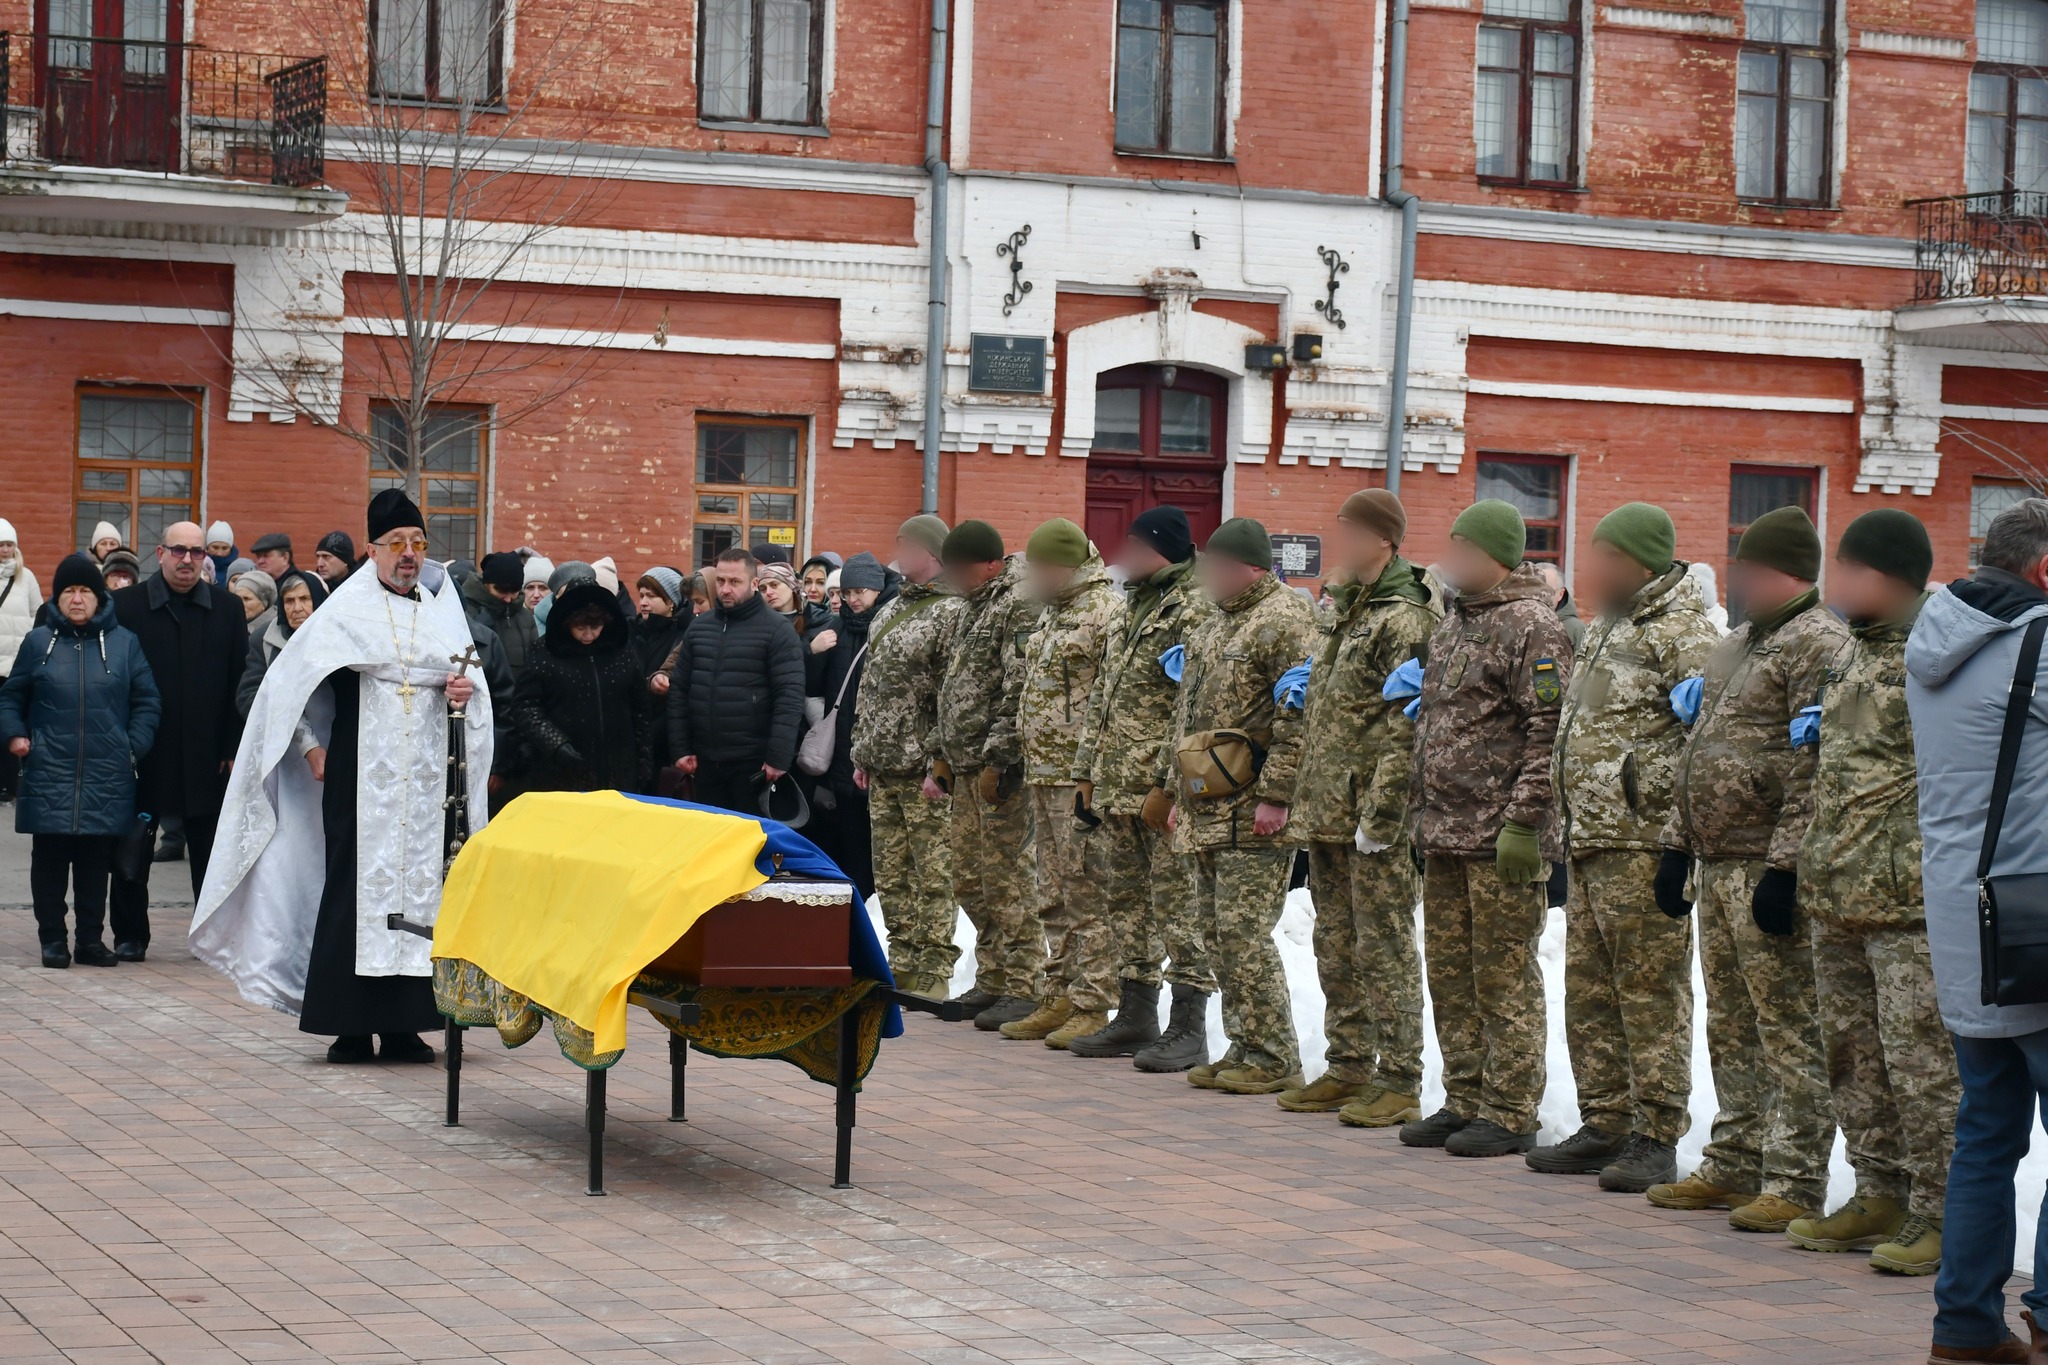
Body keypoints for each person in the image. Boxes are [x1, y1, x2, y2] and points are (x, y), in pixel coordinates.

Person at [192, 490, 491, 1065]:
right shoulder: (344, 611)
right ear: (374, 550)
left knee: (420, 895)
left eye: (418, 544)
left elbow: (473, 692)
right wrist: (307, 747)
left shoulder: (440, 612)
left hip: (426, 787)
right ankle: (349, 1025)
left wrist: (462, 692)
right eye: (397, 544)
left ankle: (407, 1025)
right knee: (353, 889)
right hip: (359, 780)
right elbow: (288, 686)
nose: (409, 555)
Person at [1652, 505, 1845, 1231]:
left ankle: (1793, 1177)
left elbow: (1812, 766)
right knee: (1731, 1025)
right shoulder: (1737, 642)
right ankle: (1735, 1159)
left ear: (1787, 571)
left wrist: (1786, 866)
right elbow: (1699, 748)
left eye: (1752, 570)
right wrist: (1676, 844)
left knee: (1789, 1028)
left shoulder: (1816, 643)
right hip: (1716, 861)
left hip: (1764, 864)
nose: (1739, 581)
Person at [1781, 509, 1956, 1277]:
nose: (1835, 585)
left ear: (1880, 573)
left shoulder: (1935, 653)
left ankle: (1943, 1210)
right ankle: (1879, 1188)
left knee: (1920, 1065)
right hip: (1839, 891)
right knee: (1853, 1057)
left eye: (1846, 570)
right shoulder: (1853, 650)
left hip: (1906, 901)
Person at [1529, 503, 1717, 1191]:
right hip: (1591, 838)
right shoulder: (1608, 623)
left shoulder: (1683, 630)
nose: (1592, 567)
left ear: (1640, 561)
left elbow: (1702, 740)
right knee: (1591, 990)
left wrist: (1678, 835)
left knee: (1649, 993)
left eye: (1605, 556)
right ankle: (1605, 1118)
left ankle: (1654, 1132)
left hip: (1642, 842)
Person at [1908, 497, 2048, 1363]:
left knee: (1988, 1131)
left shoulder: (1940, 645)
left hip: (1970, 930)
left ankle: (1964, 1324)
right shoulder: (2034, 644)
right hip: (2037, 927)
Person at [1404, 499, 1572, 1156]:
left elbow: (1546, 727)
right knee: (1450, 971)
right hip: (1445, 829)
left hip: (1500, 834)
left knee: (1502, 972)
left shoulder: (1532, 626)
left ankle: (1509, 1106)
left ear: (1497, 556)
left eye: (1464, 547)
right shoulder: (1453, 624)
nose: (1452, 557)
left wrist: (1525, 820)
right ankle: (1465, 1095)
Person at [1277, 490, 1436, 1126]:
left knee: (1385, 943)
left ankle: (1399, 1077)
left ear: (1382, 540)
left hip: (1371, 811)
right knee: (1335, 939)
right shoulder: (1348, 610)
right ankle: (1349, 1065)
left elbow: (1407, 723)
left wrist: (1385, 813)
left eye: (1349, 530)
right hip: (1328, 804)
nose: (1338, 540)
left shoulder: (1405, 617)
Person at [1168, 517, 1313, 1095]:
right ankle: (1244, 1044)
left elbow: (1295, 715)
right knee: (1214, 932)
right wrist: (1173, 790)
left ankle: (1276, 1053)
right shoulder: (1214, 622)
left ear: (1246, 568)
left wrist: (1278, 795)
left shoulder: (1285, 620)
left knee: (1244, 933)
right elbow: (1185, 716)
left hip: (1253, 807)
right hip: (1206, 802)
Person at [1068, 506, 1215, 1068]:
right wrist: (1087, 770)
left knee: (1178, 906)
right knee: (1127, 902)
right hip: (1115, 781)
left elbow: (1191, 706)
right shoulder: (1133, 604)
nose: (1123, 554)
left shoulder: (1192, 607)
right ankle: (1135, 1014)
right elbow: (1104, 697)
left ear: (1163, 549)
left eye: (1134, 544)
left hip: (1159, 787)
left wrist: (1170, 784)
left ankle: (1188, 1026)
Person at [0, 555, 160, 968]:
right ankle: (52, 939)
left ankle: (90, 940)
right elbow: (11, 696)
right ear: (57, 596)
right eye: (69, 590)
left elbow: (147, 701)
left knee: (94, 865)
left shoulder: (125, 643)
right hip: (49, 771)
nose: (76, 599)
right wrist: (16, 734)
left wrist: (131, 746)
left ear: (99, 596)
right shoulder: (39, 642)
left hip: (107, 773)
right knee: (49, 862)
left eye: (85, 591)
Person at [1003, 519, 1122, 1048]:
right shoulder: (1051, 613)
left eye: (1045, 566)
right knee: (1049, 887)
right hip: (1042, 769)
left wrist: (1093, 770)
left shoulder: (1104, 613)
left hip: (1079, 773)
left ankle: (1094, 1001)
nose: (1038, 576)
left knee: (1085, 888)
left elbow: (1112, 699)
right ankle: (1060, 992)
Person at [110, 522, 250, 960]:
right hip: (144, 752)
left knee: (211, 858)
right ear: (160, 553)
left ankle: (211, 939)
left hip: (207, 755)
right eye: (178, 551)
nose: (187, 559)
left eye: (195, 552)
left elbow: (239, 683)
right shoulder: (125, 606)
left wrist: (231, 747)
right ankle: (130, 935)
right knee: (132, 852)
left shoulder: (227, 609)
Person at [934, 521, 1043, 1029]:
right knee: (970, 878)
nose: (951, 578)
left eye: (959, 569)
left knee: (1006, 880)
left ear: (990, 564)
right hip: (963, 764)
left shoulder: (1017, 604)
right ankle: (994, 976)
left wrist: (1002, 758)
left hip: (997, 769)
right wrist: (942, 752)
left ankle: (1026, 982)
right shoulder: (971, 607)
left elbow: (1016, 688)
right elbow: (953, 687)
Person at [850, 516, 963, 997]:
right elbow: (868, 689)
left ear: (933, 552)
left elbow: (952, 693)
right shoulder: (889, 610)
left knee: (933, 870)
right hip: (882, 761)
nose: (897, 549)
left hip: (923, 769)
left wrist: (940, 763)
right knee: (892, 872)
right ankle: (903, 961)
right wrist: (861, 750)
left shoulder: (952, 611)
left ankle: (934, 969)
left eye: (906, 542)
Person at [665, 548, 806, 814]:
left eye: (735, 582)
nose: (726, 589)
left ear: (754, 584)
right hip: (705, 762)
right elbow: (680, 691)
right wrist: (681, 748)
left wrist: (778, 757)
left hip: (754, 765)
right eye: (720, 581)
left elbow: (789, 696)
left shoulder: (777, 630)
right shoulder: (699, 628)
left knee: (750, 842)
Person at [809, 552, 896, 897]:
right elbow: (812, 688)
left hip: (880, 755)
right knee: (852, 842)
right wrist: (812, 652)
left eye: (860, 591)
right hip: (843, 753)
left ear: (877, 590)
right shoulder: (836, 627)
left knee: (884, 847)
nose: (852, 600)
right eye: (847, 593)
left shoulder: (891, 624)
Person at [513, 579, 652, 794]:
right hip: (562, 770)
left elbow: (640, 709)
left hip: (618, 768)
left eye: (595, 627)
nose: (588, 635)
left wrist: (643, 760)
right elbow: (525, 706)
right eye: (580, 628)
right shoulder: (545, 651)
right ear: (567, 623)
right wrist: (554, 743)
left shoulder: (620, 650)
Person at [237, 571, 329, 717]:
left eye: (304, 599)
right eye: (289, 601)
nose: (297, 608)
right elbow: (248, 695)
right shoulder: (264, 637)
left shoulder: (336, 637)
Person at [0, 520, 43, 806]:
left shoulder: (26, 577)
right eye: (1, 545)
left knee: (13, 726)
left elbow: (37, 615)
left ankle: (11, 785)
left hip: (16, 665)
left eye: (9, 544)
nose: (5, 550)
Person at [761, 559, 835, 692]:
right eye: (763, 588)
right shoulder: (759, 623)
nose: (768, 592)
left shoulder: (822, 621)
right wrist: (809, 649)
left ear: (791, 585)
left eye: (774, 585)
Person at [461, 552, 539, 676]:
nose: (508, 599)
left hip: (518, 693)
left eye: (514, 591)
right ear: (486, 585)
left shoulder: (525, 617)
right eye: (502, 590)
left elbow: (536, 663)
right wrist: (478, 631)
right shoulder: (465, 610)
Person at [1535, 560, 1587, 652]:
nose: (1538, 596)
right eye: (1534, 590)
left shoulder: (1576, 631)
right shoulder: (1517, 623)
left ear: (1560, 594)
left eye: (1547, 591)